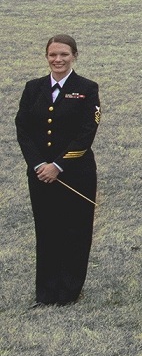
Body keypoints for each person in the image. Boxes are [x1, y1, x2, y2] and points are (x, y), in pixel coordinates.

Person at [14, 34, 101, 306]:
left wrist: (58, 165)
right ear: (46, 57)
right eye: (53, 55)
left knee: (75, 230)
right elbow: (23, 130)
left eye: (63, 54)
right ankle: (46, 292)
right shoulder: (33, 88)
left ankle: (69, 291)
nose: (58, 60)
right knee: (47, 229)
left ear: (74, 55)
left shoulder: (87, 88)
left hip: (75, 174)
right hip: (40, 175)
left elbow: (87, 132)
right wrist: (40, 165)